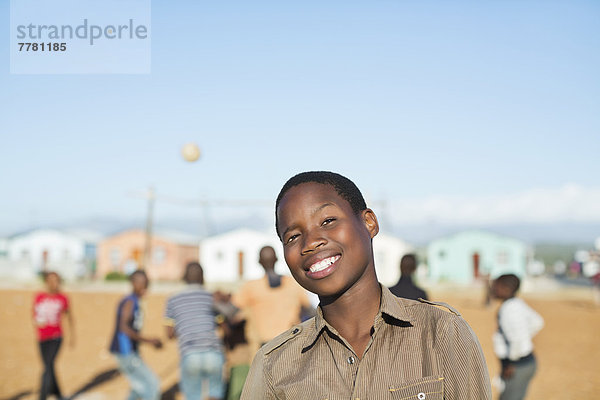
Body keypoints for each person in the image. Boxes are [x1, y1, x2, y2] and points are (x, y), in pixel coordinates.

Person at [241, 171, 492, 399]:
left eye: (327, 221)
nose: (311, 242)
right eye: (293, 236)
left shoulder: (441, 333)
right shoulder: (273, 366)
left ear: (369, 223)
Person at [232, 245, 312, 352]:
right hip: (291, 342)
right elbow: (309, 310)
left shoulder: (250, 287)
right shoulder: (293, 283)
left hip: (263, 347)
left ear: (259, 262)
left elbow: (232, 311)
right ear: (277, 259)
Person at [164, 262, 225, 400]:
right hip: (213, 353)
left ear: (184, 277)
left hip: (190, 353)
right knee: (214, 393)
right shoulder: (211, 297)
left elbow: (169, 334)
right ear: (202, 277)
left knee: (193, 396)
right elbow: (221, 324)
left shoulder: (173, 299)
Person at [109, 269, 162, 400]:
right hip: (125, 352)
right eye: (142, 283)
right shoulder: (130, 302)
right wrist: (149, 341)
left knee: (138, 386)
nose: (145, 287)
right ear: (133, 283)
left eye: (147, 283)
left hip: (129, 351)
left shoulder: (134, 301)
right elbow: (124, 328)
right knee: (152, 384)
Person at [492, 274, 544, 400]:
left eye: (495, 286)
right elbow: (538, 322)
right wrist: (524, 336)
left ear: (506, 288)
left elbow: (517, 338)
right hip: (526, 362)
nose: (492, 289)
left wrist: (512, 363)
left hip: (517, 366)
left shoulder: (508, 310)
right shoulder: (516, 303)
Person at [33, 271, 75, 400]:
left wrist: (72, 336)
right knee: (48, 366)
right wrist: (37, 322)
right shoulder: (39, 297)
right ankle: (58, 394)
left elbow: (69, 317)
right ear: (46, 282)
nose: (54, 283)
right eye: (51, 280)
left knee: (48, 366)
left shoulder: (63, 298)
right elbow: (35, 315)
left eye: (56, 280)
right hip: (41, 337)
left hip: (56, 337)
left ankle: (42, 396)